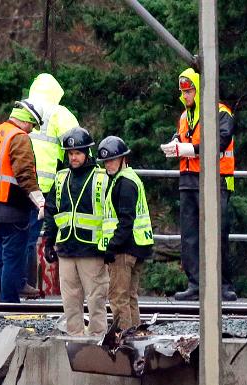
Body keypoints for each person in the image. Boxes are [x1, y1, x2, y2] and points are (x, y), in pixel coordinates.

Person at [161, 68, 237, 302]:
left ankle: (222, 285)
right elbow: (181, 135)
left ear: (199, 90)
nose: (185, 96)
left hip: (215, 180)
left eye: (189, 91)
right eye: (183, 92)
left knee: (217, 234)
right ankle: (195, 284)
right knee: (190, 236)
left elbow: (221, 140)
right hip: (188, 180)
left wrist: (191, 150)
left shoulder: (220, 112)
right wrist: (174, 144)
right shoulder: (185, 116)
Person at [42, 127, 114, 337]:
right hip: (66, 248)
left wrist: (110, 246)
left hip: (92, 250)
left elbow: (111, 215)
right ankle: (75, 337)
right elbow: (52, 211)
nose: (73, 157)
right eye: (70, 153)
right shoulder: (61, 178)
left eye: (78, 153)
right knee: (70, 300)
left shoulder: (101, 178)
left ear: (87, 153)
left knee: (96, 298)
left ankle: (97, 337)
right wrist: (49, 241)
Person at [0, 100, 46, 304]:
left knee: (0, 258)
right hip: (12, 209)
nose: (31, 130)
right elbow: (24, 174)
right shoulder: (19, 137)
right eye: (32, 125)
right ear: (27, 121)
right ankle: (8, 306)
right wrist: (39, 201)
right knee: (13, 259)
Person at [21, 73, 80, 298]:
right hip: (46, 187)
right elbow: (78, 144)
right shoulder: (59, 113)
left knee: (21, 237)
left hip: (21, 185)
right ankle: (24, 286)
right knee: (34, 236)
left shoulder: (24, 110)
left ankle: (20, 283)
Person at [98, 136, 153, 331]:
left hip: (124, 250)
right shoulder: (129, 179)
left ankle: (124, 341)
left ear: (123, 159)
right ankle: (136, 337)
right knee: (130, 297)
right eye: (106, 161)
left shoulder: (124, 183)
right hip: (136, 247)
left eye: (113, 159)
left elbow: (125, 220)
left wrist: (112, 246)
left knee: (118, 297)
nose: (109, 165)